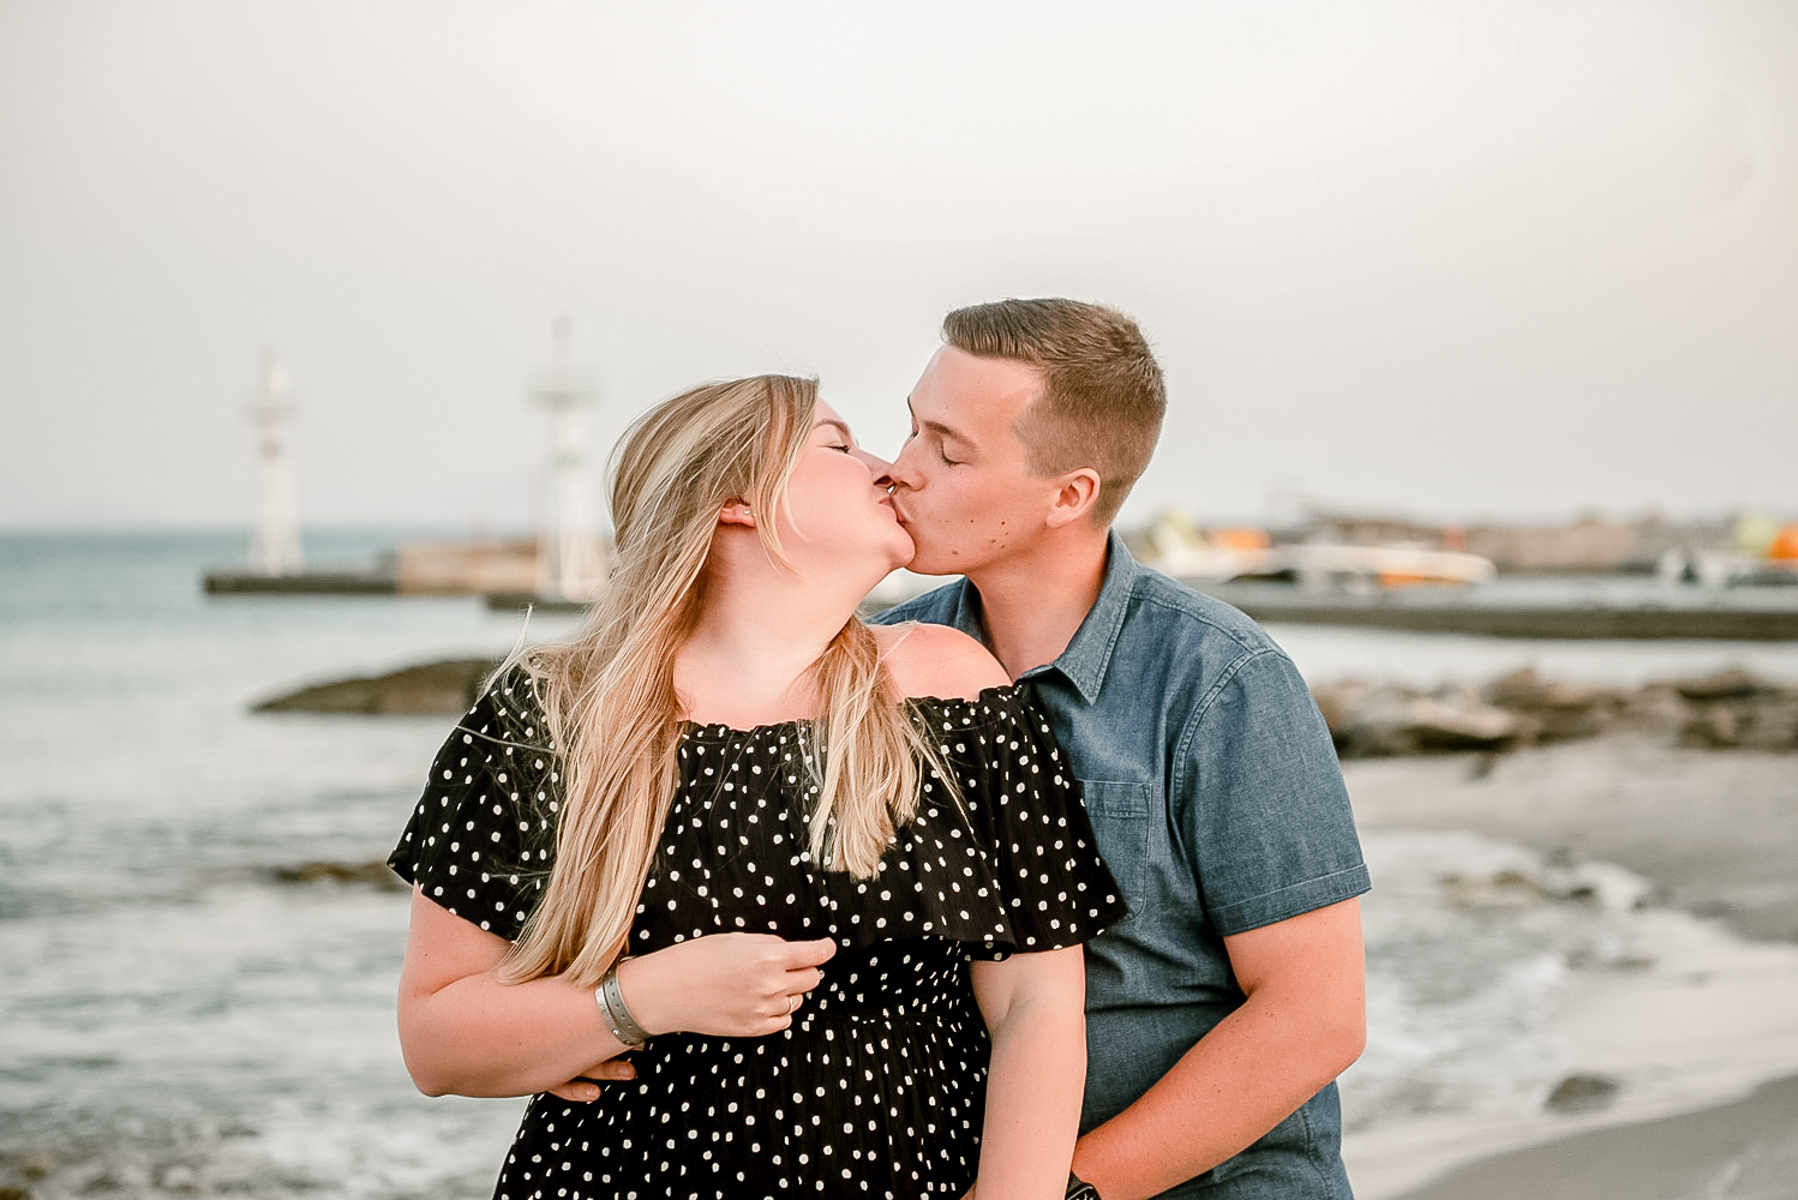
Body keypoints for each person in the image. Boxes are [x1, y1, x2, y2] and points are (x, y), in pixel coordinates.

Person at [389, 374, 1125, 1200]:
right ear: (736, 498)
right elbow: (436, 1040)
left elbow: (1037, 1001)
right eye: (839, 446)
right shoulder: (551, 714)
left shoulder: (950, 686)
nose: (891, 468)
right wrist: (640, 998)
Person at [871, 299, 1370, 1199]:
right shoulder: (881, 663)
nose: (900, 470)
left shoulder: (1224, 680)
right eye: (910, 427)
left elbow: (1315, 1018)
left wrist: (1061, 1190)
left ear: (1070, 494)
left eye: (948, 450)